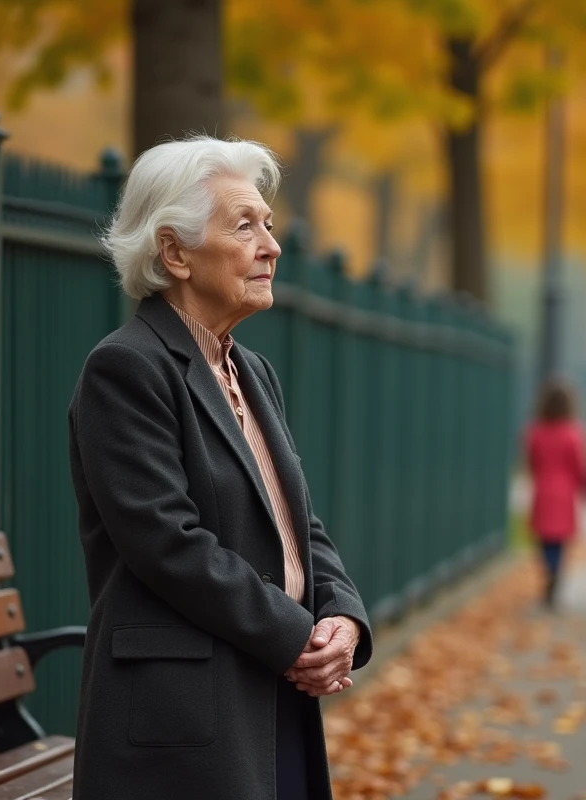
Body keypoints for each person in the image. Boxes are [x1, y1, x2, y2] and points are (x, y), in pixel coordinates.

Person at [68, 136, 372, 800]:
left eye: (267, 224)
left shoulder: (250, 370)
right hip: (184, 716)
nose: (272, 245)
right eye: (244, 226)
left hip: (269, 690)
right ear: (174, 252)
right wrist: (297, 637)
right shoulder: (126, 368)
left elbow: (300, 524)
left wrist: (342, 618)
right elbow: (167, 544)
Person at [524, 377, 586, 608]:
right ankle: (556, 571)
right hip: (565, 492)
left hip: (543, 489)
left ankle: (549, 570)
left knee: (545, 537)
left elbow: (531, 460)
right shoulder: (575, 433)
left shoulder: (535, 431)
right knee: (561, 538)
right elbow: (581, 466)